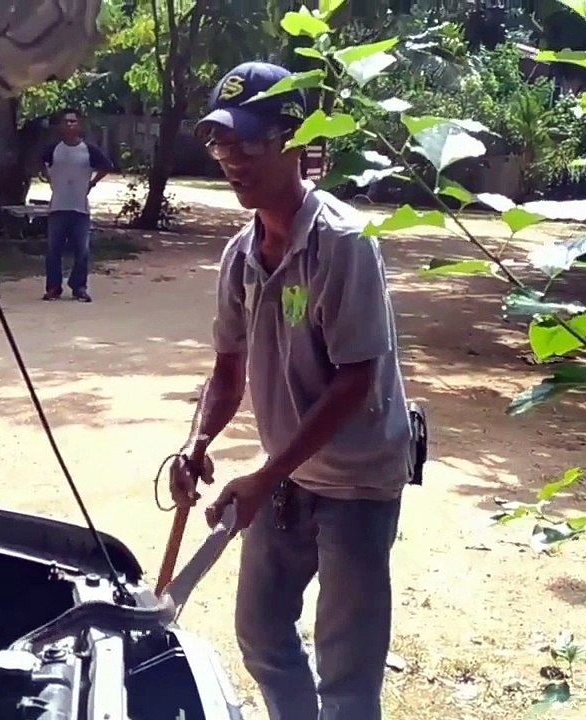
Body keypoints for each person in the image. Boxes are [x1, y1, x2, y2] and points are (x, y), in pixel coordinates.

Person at [168, 61, 413, 720]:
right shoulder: (239, 255)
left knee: (347, 671)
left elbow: (356, 382)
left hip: (358, 484)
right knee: (262, 635)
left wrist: (265, 474)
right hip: (289, 478)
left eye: (248, 141)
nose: (231, 158)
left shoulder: (343, 243)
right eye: (220, 143)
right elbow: (227, 369)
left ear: (295, 140)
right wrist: (198, 443)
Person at [41, 107, 113, 302]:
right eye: (66, 121)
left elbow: (107, 166)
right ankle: (53, 288)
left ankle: (79, 287)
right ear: (61, 126)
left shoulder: (88, 150)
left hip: (80, 208)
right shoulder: (54, 149)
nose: (70, 124)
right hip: (58, 207)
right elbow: (39, 162)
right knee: (53, 251)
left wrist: (92, 183)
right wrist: (48, 177)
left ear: (79, 125)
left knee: (82, 251)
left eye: (73, 121)